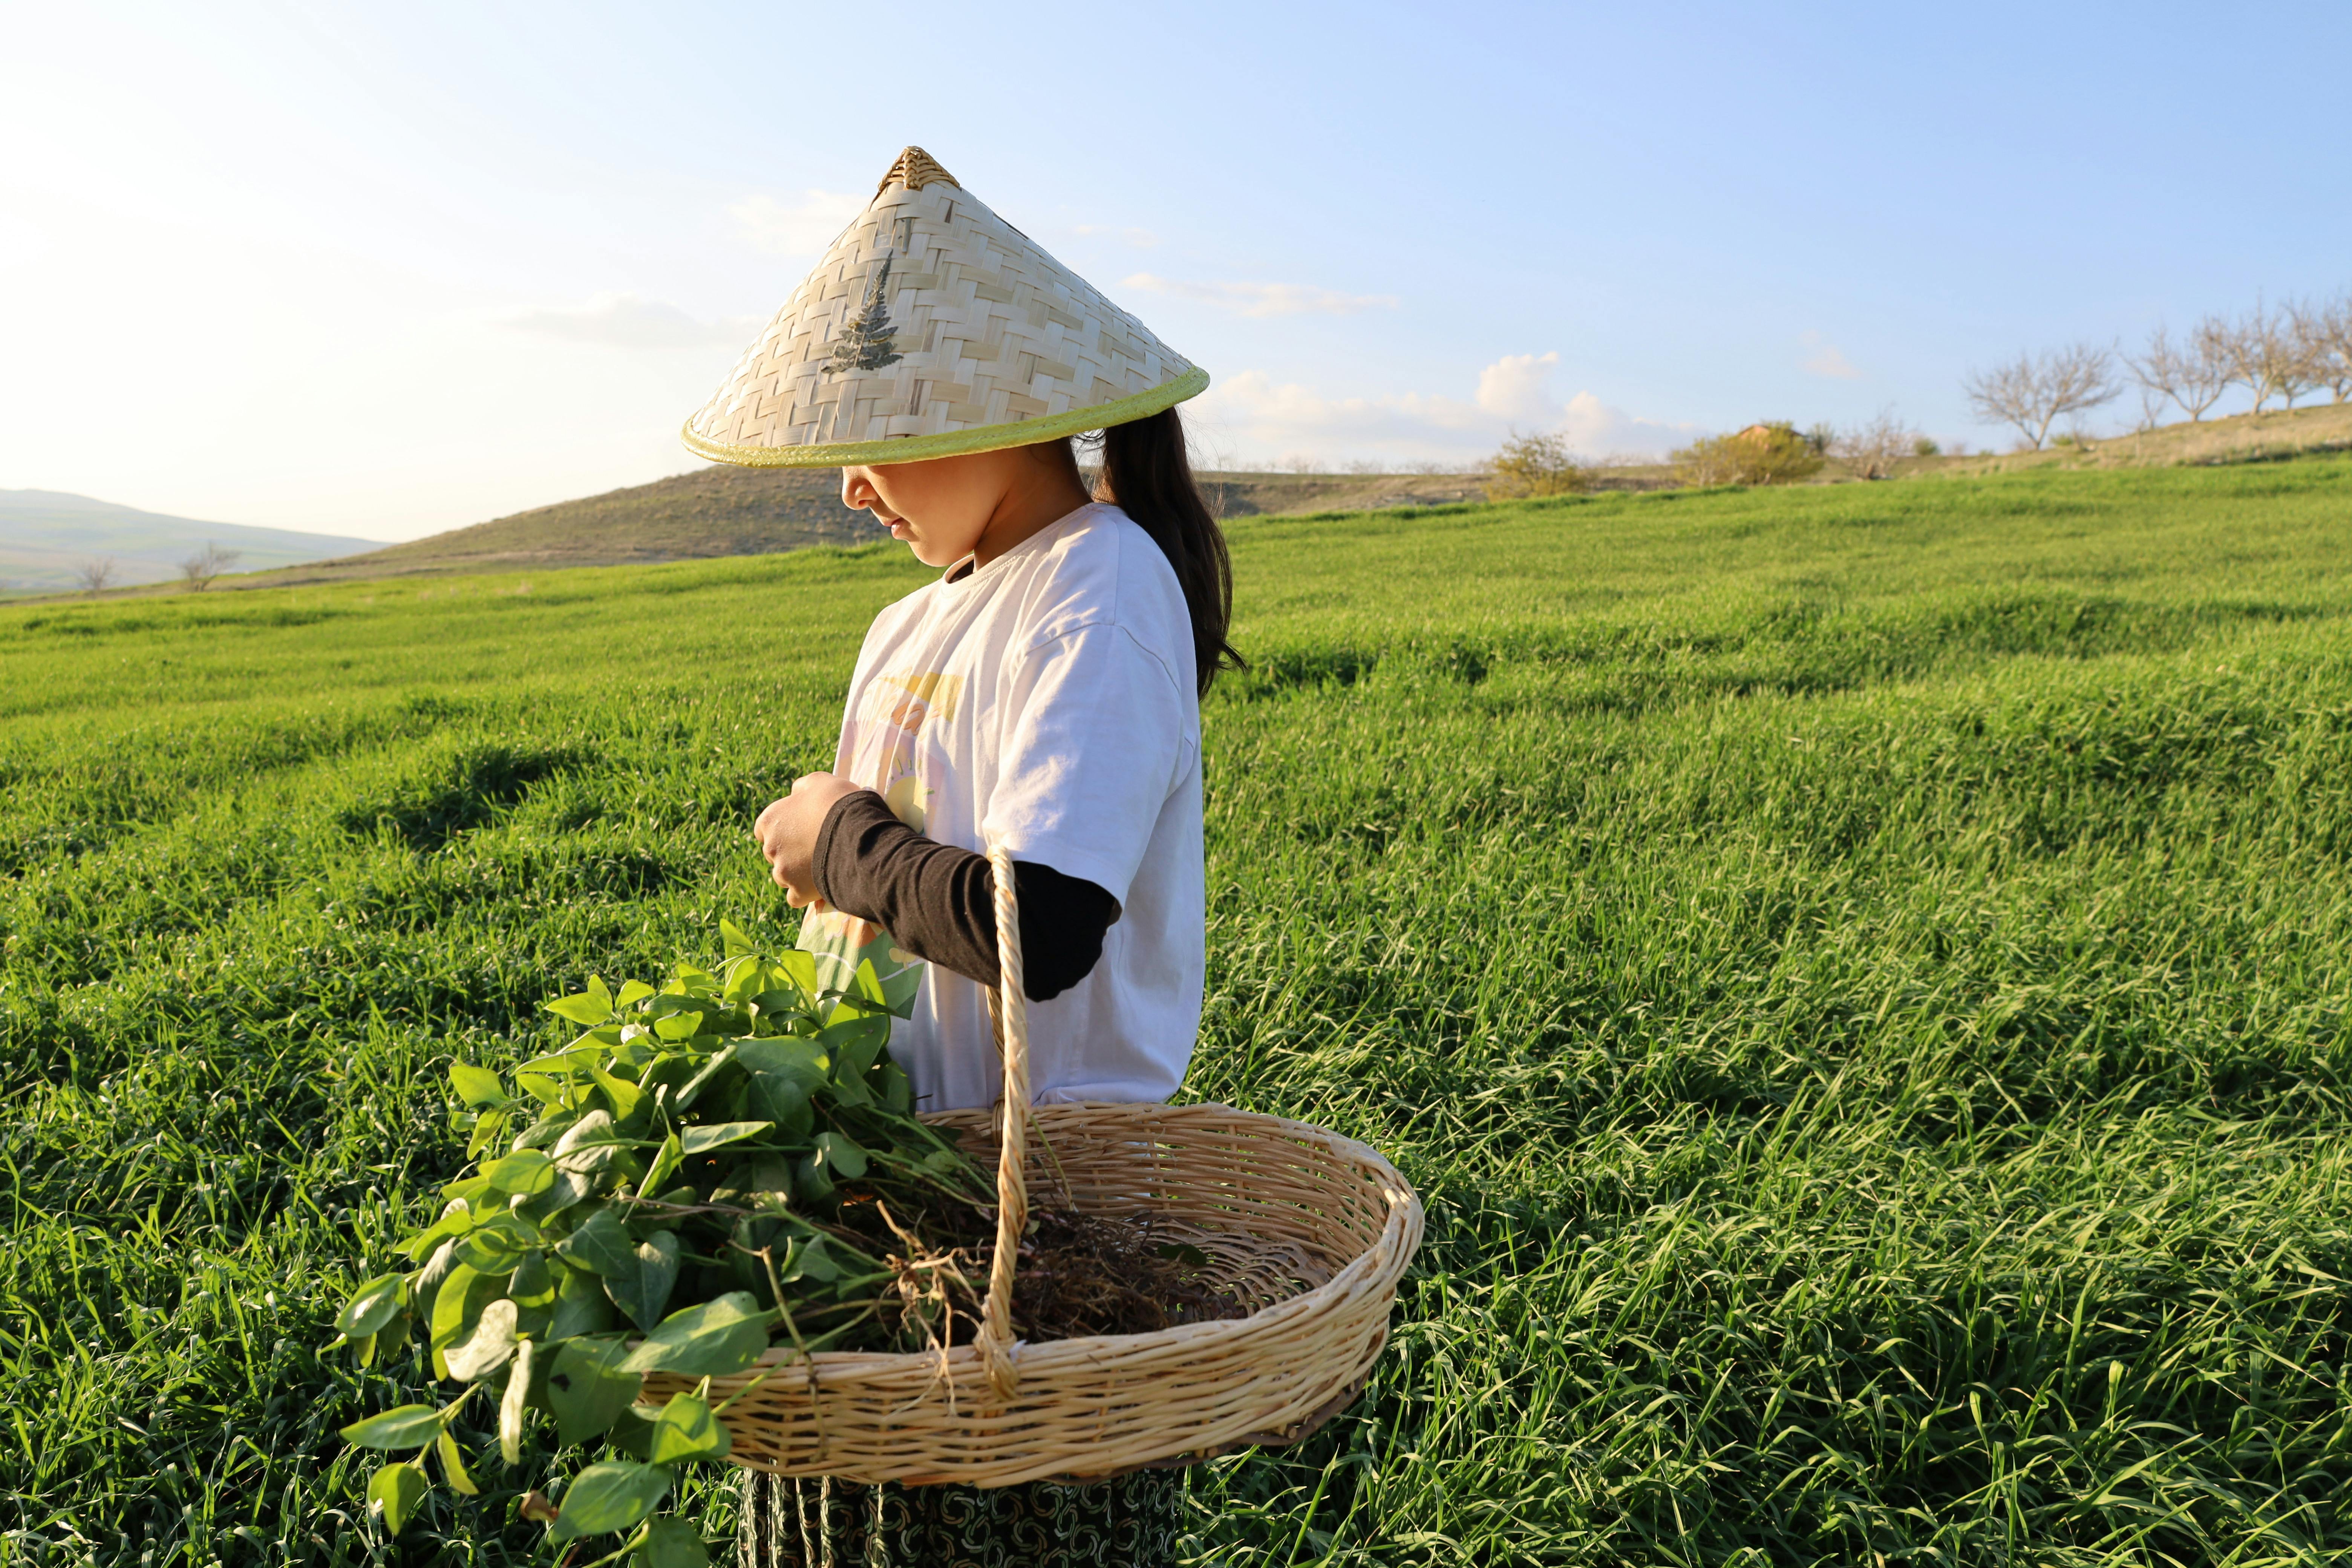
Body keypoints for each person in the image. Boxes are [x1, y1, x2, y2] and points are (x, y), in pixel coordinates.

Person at [680, 148, 1236, 1567]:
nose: (854, 487)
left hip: (1041, 1214)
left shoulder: (1102, 593)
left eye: (877, 437)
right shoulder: (913, 621)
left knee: (1016, 1533)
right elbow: (909, 882)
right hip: (883, 1165)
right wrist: (832, 875)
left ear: (998, 411)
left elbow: (1039, 927)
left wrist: (839, 837)